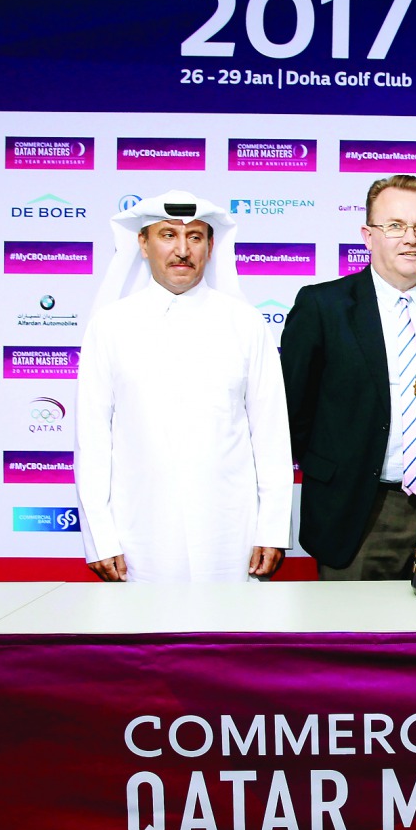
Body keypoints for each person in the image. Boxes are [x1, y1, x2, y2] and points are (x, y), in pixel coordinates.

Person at [75, 190, 293, 582]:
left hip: (231, 533)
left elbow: (271, 436)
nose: (182, 250)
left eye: (194, 237)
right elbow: (91, 441)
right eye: (167, 235)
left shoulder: (245, 323)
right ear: (143, 244)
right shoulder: (109, 326)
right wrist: (101, 539)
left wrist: (272, 530)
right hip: (138, 533)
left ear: (211, 246)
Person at [280, 175, 416, 579]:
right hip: (359, 512)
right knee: (354, 621)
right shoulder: (323, 306)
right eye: (395, 226)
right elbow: (293, 412)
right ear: (368, 235)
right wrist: (339, 468)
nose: (410, 238)